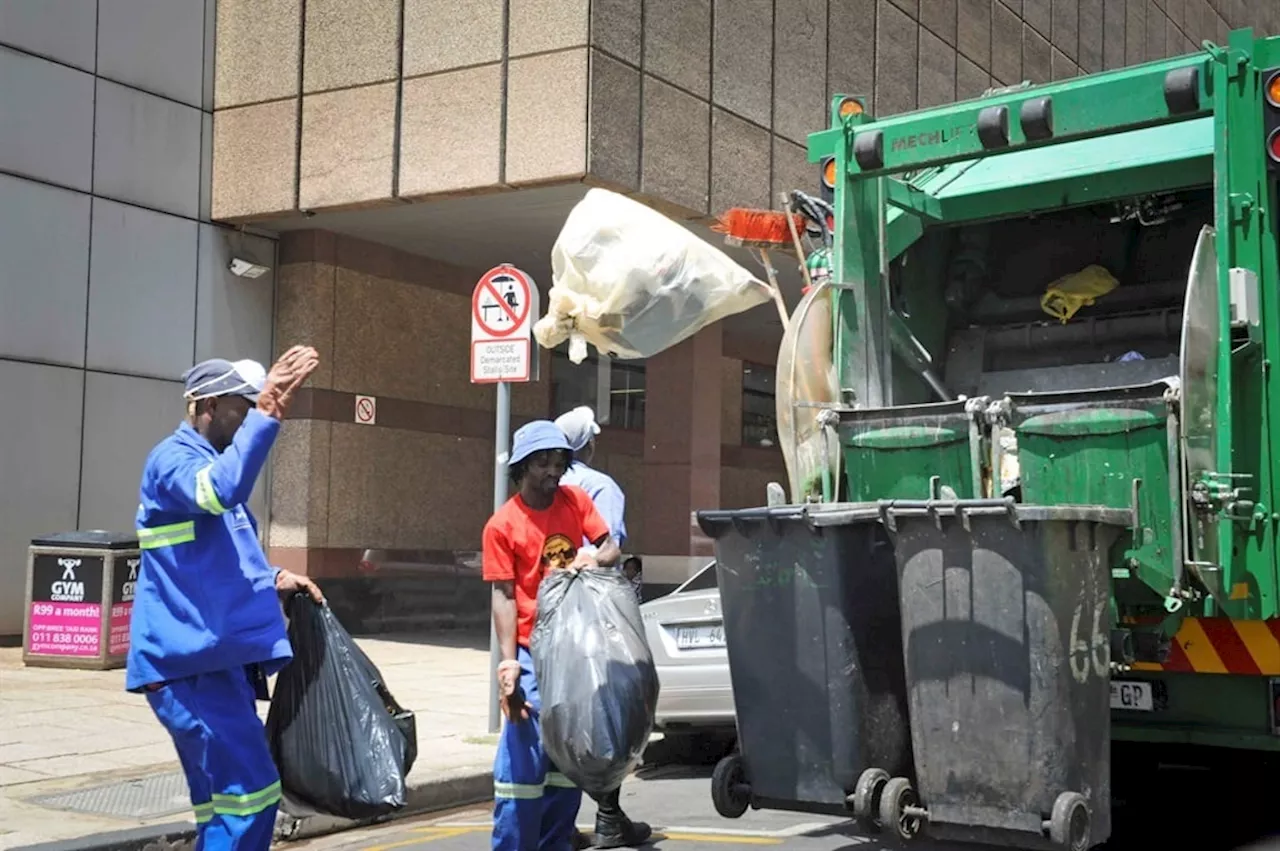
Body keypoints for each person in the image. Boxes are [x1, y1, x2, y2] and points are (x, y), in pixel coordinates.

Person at [126, 347, 324, 851]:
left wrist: (276, 576)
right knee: (252, 794)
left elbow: (225, 555)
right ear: (207, 406)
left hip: (211, 662)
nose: (249, 417)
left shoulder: (210, 464)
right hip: (188, 665)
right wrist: (271, 408)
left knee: (225, 803)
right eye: (243, 407)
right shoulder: (173, 460)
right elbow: (220, 490)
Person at [483, 420, 649, 850]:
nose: (553, 472)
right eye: (543, 463)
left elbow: (610, 545)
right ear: (522, 467)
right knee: (524, 761)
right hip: (530, 652)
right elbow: (503, 596)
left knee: (568, 756)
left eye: (559, 462)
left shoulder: (574, 501)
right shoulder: (503, 525)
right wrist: (507, 663)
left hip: (573, 650)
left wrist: (595, 557)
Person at [553, 406, 651, 846]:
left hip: (552, 613)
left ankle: (573, 822)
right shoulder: (599, 486)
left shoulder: (547, 487)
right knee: (610, 710)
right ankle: (609, 817)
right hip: (595, 612)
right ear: (586, 444)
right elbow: (608, 547)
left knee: (565, 714)